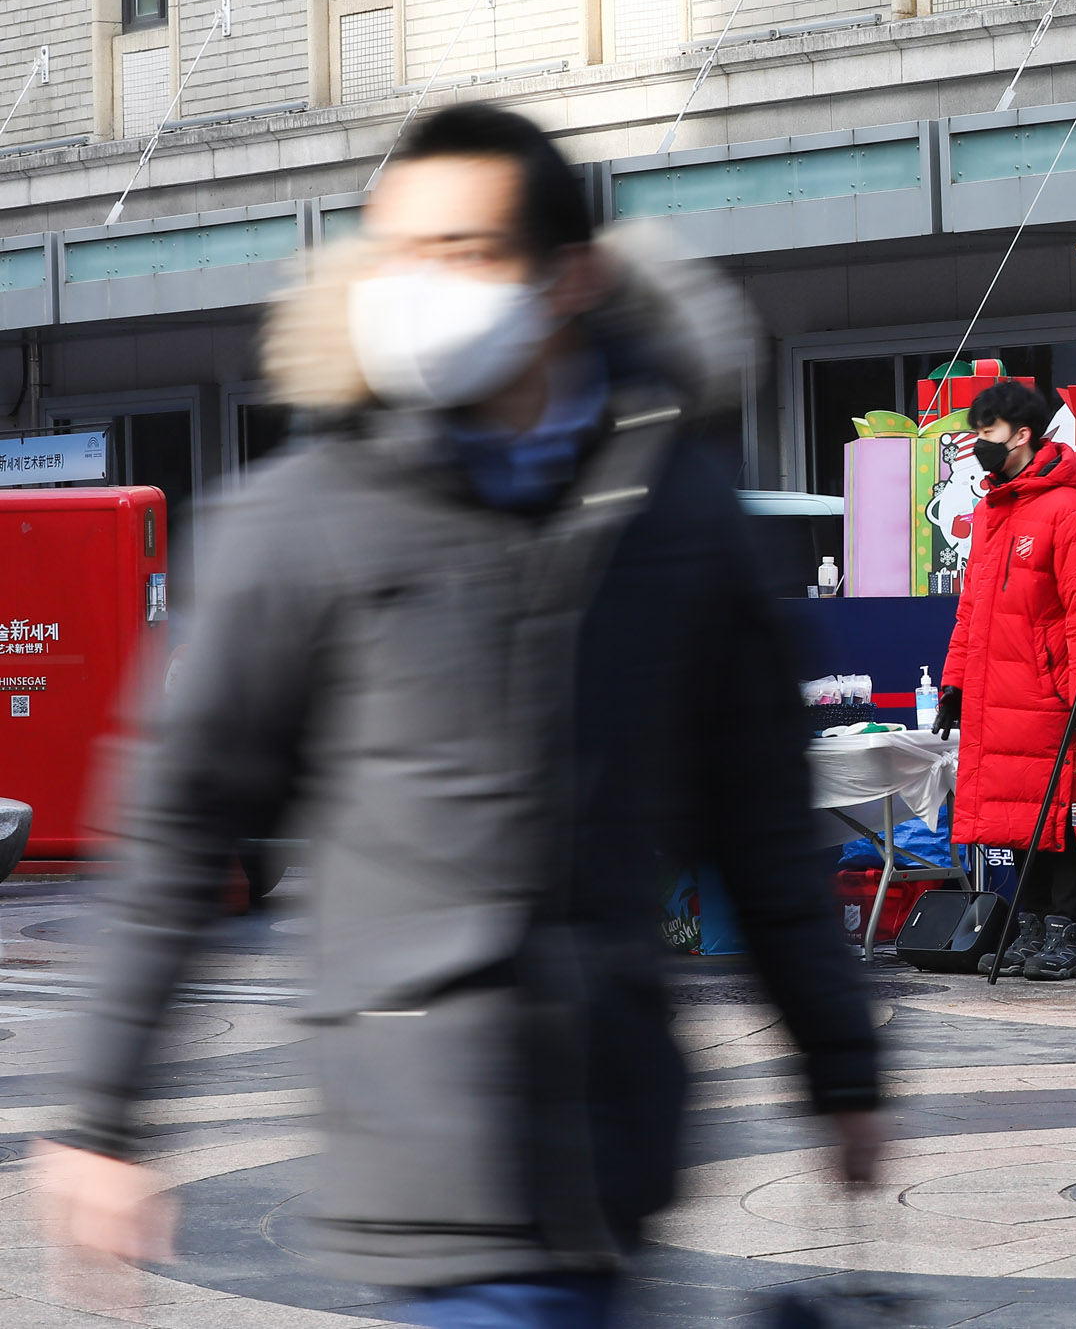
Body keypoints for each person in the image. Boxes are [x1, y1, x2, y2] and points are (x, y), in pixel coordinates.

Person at [38, 103, 883, 1327]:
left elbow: (759, 816)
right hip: (425, 1156)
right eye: (397, 250)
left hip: (615, 1151)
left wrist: (840, 1067)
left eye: (465, 252)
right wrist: (102, 1118)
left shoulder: (677, 513)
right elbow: (178, 825)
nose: (417, 288)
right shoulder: (301, 519)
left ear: (566, 282)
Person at [932, 380, 1076, 982]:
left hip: (1047, 690)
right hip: (993, 689)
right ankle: (1029, 927)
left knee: (1057, 818)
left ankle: (1065, 936)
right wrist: (955, 684)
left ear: (1023, 434)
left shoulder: (1070, 510)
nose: (977, 443)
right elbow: (970, 607)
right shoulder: (988, 510)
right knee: (1017, 821)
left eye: (987, 432)